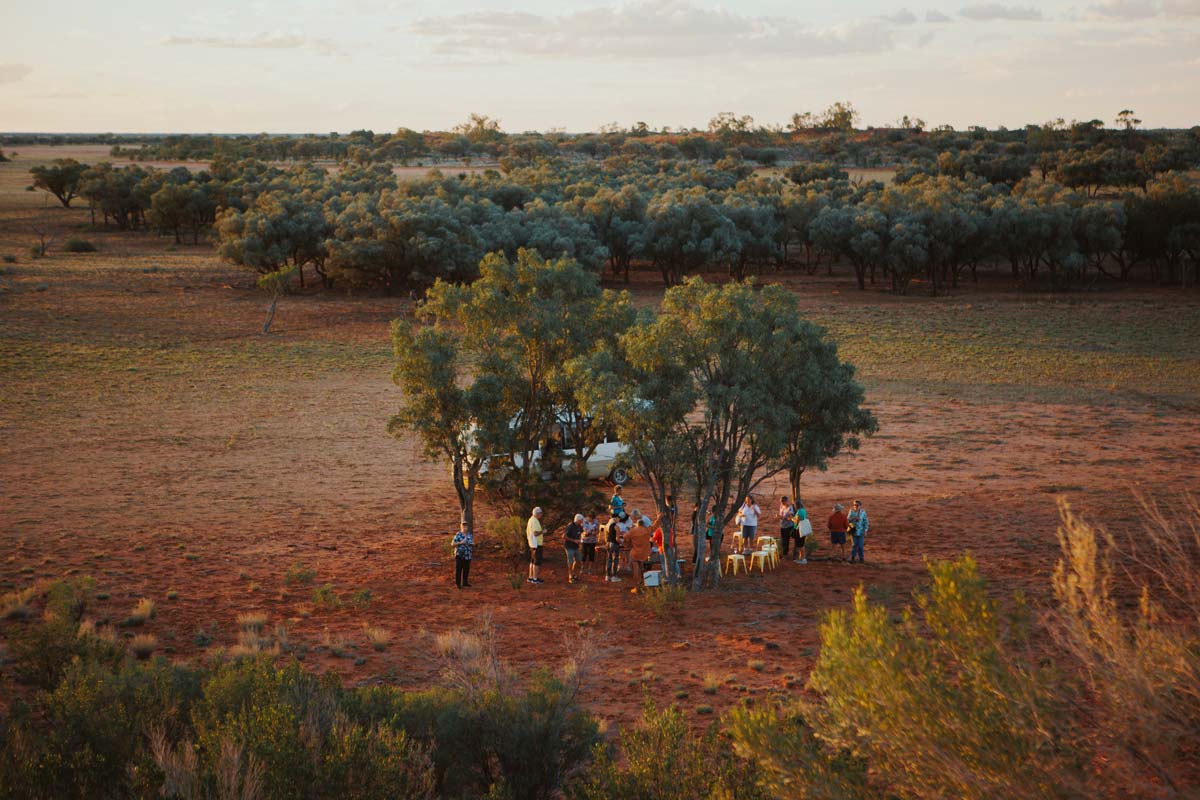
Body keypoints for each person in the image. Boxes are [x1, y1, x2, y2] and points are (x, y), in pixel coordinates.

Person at [625, 518, 651, 585]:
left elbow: (625, 536)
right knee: (640, 565)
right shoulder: (647, 530)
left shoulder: (633, 531)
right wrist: (659, 519)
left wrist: (630, 533)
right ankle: (641, 580)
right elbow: (655, 526)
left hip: (635, 552)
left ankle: (636, 581)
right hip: (644, 553)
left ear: (637, 524)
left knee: (634, 564)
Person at [564, 513, 584, 584]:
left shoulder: (579, 526)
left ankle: (573, 573)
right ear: (578, 520)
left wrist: (580, 542)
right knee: (570, 561)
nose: (582, 522)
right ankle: (570, 576)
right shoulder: (570, 526)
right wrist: (574, 540)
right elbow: (564, 536)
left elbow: (581, 533)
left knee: (578, 560)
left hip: (576, 546)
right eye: (581, 520)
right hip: (569, 546)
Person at [452, 521, 473, 588]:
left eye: (466, 526)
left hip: (467, 554)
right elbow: (452, 544)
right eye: (463, 526)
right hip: (459, 554)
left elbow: (473, 542)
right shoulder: (458, 535)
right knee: (459, 569)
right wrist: (461, 542)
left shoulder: (469, 535)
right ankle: (458, 584)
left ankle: (465, 582)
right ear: (461, 527)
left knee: (466, 569)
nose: (465, 528)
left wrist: (471, 544)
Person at [526, 507, 545, 584]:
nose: (541, 515)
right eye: (541, 513)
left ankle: (531, 577)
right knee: (536, 562)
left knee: (532, 561)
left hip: (532, 543)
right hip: (536, 544)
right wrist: (543, 531)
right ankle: (535, 578)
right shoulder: (534, 521)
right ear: (537, 513)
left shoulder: (531, 520)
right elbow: (535, 533)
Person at [603, 512, 622, 583]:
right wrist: (622, 542)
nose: (619, 519)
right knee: (615, 560)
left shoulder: (609, 526)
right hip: (615, 544)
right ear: (616, 518)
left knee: (609, 559)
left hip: (609, 544)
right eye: (618, 518)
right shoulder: (617, 527)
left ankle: (607, 576)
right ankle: (614, 576)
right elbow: (617, 539)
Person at [581, 511, 600, 576]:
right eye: (589, 517)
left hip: (592, 541)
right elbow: (584, 530)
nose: (589, 519)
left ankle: (589, 569)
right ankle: (582, 568)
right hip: (585, 540)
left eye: (591, 518)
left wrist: (595, 532)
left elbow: (598, 530)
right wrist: (587, 533)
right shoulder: (584, 521)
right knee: (584, 554)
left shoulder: (596, 522)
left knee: (591, 554)